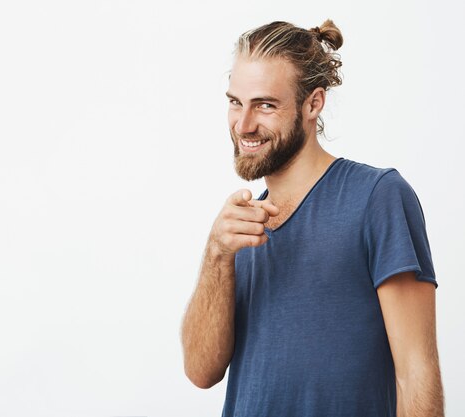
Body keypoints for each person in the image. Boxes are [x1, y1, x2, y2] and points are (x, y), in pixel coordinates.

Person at [180, 20, 444, 417]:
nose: (244, 125)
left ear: (313, 104)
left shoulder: (377, 197)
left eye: (265, 105)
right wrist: (217, 254)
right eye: (236, 102)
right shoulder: (237, 230)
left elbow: (415, 372)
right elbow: (200, 372)